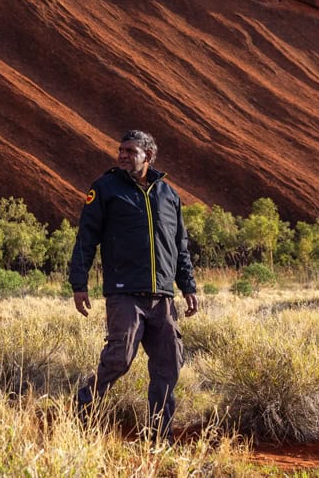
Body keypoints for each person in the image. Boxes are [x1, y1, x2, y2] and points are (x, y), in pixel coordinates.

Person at [68, 130, 199, 441]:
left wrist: (188, 286)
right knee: (119, 358)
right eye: (121, 150)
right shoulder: (105, 188)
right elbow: (87, 237)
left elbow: (180, 246)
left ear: (148, 156)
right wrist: (79, 282)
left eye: (130, 151)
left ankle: (160, 436)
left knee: (169, 364)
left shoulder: (168, 195)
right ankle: (84, 409)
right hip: (124, 292)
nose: (122, 155)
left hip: (163, 296)